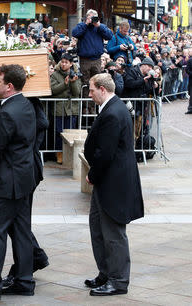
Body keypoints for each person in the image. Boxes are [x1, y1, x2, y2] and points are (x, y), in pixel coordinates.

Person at [0, 64, 36, 301]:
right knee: (22, 231)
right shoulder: (26, 105)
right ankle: (24, 280)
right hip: (24, 178)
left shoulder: (5, 113)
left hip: (7, 182)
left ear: (9, 86)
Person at [84, 73, 144, 296]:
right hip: (107, 181)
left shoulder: (113, 112)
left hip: (113, 181)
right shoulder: (112, 108)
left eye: (91, 90)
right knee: (98, 228)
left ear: (101, 89)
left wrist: (93, 174)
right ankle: (106, 273)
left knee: (113, 234)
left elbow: (106, 152)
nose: (89, 95)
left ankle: (118, 280)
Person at [1, 96, 50, 289]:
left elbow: (42, 122)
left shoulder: (27, 102)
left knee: (17, 222)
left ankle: (32, 260)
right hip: (25, 167)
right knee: (17, 221)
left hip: (25, 168)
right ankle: (34, 258)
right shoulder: (24, 102)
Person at [49, 53, 82, 164]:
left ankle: (70, 153)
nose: (63, 64)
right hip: (59, 108)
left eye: (66, 62)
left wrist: (72, 82)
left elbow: (77, 92)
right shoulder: (55, 75)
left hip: (72, 109)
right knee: (59, 132)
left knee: (71, 132)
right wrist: (64, 84)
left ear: (71, 64)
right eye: (62, 62)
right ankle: (59, 153)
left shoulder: (76, 74)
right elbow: (53, 90)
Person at [72, 9, 113, 95]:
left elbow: (109, 36)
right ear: (87, 17)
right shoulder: (82, 26)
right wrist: (86, 24)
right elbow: (75, 33)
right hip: (84, 60)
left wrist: (99, 25)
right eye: (90, 17)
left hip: (97, 59)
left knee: (97, 83)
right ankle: (86, 105)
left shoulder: (99, 27)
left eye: (94, 17)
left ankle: (95, 105)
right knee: (85, 83)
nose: (92, 20)